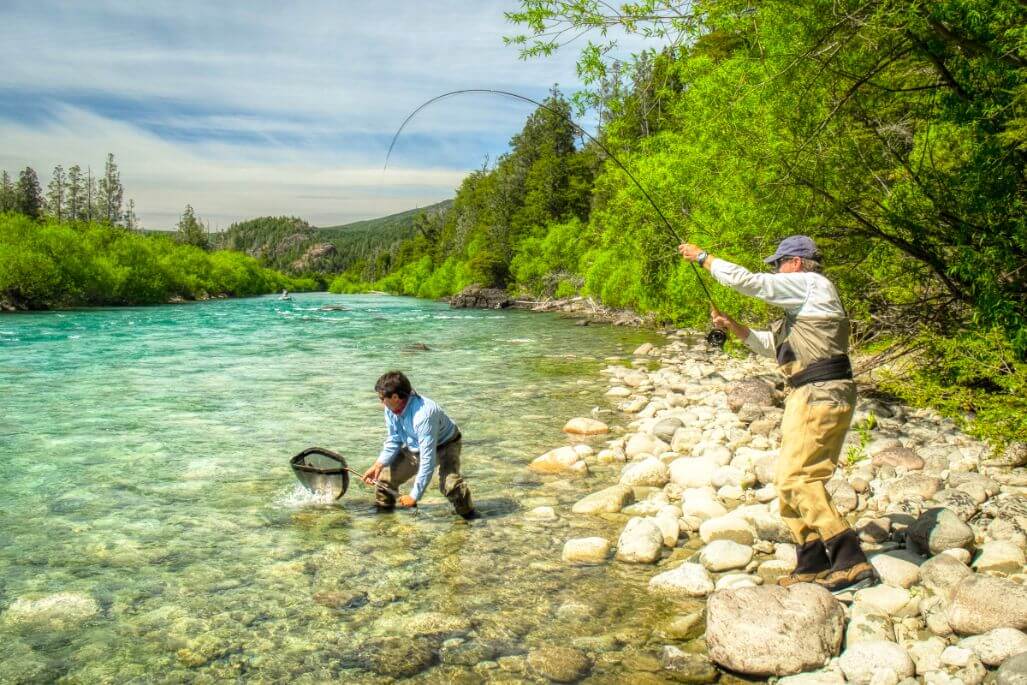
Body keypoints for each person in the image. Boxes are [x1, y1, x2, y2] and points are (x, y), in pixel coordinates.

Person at [679, 236, 876, 592]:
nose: (775, 270)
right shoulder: (804, 310)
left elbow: (752, 283)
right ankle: (812, 558)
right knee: (786, 481)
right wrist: (732, 326)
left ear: (796, 263)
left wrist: (704, 258)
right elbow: (771, 347)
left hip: (820, 393)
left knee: (799, 479)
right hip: (809, 394)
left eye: (779, 264)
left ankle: (849, 558)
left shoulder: (813, 285)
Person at [361, 371, 476, 519]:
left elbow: (427, 461)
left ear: (395, 397)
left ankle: (470, 518)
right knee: (384, 481)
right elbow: (394, 439)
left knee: (450, 486)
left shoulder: (424, 415)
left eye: (382, 398)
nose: (381, 402)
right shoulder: (390, 409)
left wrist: (414, 496)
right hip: (416, 447)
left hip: (446, 444)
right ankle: (384, 522)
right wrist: (378, 464)